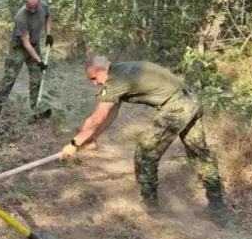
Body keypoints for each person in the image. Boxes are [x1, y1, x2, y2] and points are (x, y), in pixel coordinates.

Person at [60, 57, 233, 226]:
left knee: (145, 153)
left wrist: (74, 144)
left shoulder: (115, 81)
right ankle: (218, 211)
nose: (94, 83)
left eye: (94, 78)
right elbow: (110, 115)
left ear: (103, 70)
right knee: (199, 155)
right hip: (191, 100)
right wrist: (91, 138)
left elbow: (99, 116)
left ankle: (151, 209)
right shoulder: (122, 70)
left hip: (177, 106)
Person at [0, 0, 53, 117]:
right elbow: (26, 44)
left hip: (34, 46)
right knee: (9, 78)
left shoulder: (44, 6)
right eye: (29, 7)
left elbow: (47, 18)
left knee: (37, 77)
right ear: (25, 2)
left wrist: (49, 34)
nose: (32, 10)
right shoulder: (21, 17)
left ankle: (35, 110)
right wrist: (39, 61)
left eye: (34, 8)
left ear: (39, 3)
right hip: (18, 48)